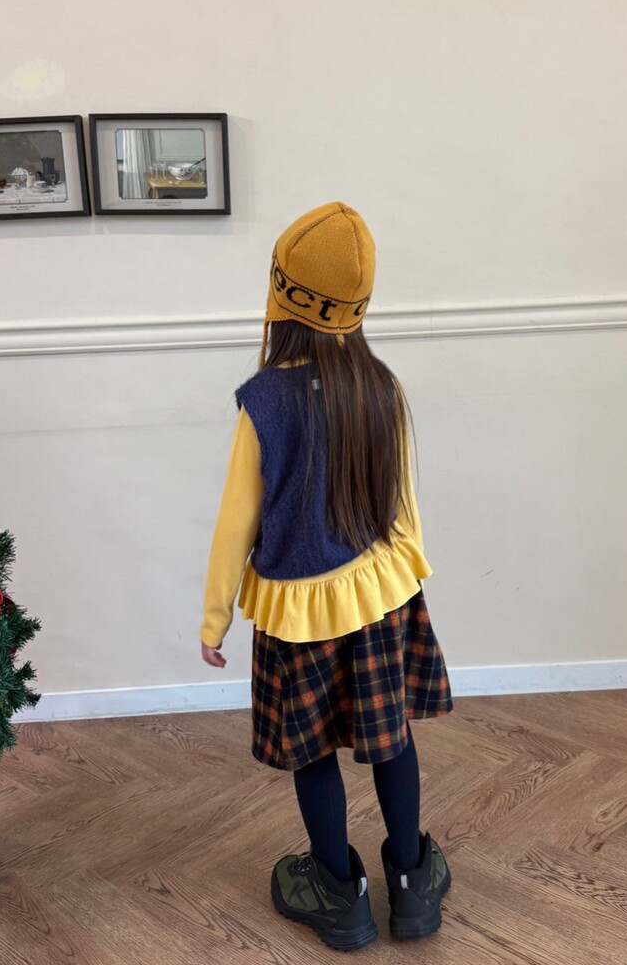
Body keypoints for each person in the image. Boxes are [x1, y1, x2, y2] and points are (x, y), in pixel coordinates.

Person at [199, 201, 453, 951]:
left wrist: (215, 618)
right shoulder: (381, 385)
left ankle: (339, 896)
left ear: (283, 295)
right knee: (390, 738)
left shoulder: (263, 402)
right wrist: (407, 577)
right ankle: (411, 884)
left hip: (298, 616)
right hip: (380, 597)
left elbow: (235, 524)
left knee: (312, 752)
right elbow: (402, 504)